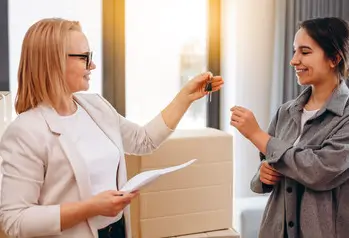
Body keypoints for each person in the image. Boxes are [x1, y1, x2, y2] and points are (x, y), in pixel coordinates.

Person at [0, 18, 224, 238]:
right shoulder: (26, 132)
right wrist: (89, 208)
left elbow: (143, 140)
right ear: (54, 62)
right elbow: (14, 220)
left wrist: (186, 97)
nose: (93, 65)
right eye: (85, 58)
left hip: (116, 230)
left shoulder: (96, 106)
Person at [230, 17, 349, 238]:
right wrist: (263, 175)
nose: (294, 60)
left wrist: (257, 135)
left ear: (334, 58)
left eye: (304, 52)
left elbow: (319, 171)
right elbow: (267, 167)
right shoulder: (285, 112)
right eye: (294, 51)